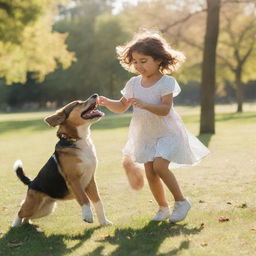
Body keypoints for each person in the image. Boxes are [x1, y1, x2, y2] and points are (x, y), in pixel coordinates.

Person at [97, 31, 210, 223]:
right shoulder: (133, 83)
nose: (139, 66)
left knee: (160, 166)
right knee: (150, 172)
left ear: (158, 60)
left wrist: (145, 104)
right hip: (145, 135)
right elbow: (121, 106)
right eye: (135, 62)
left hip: (168, 133)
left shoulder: (166, 82)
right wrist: (107, 102)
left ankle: (182, 202)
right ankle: (163, 208)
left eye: (144, 60)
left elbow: (165, 109)